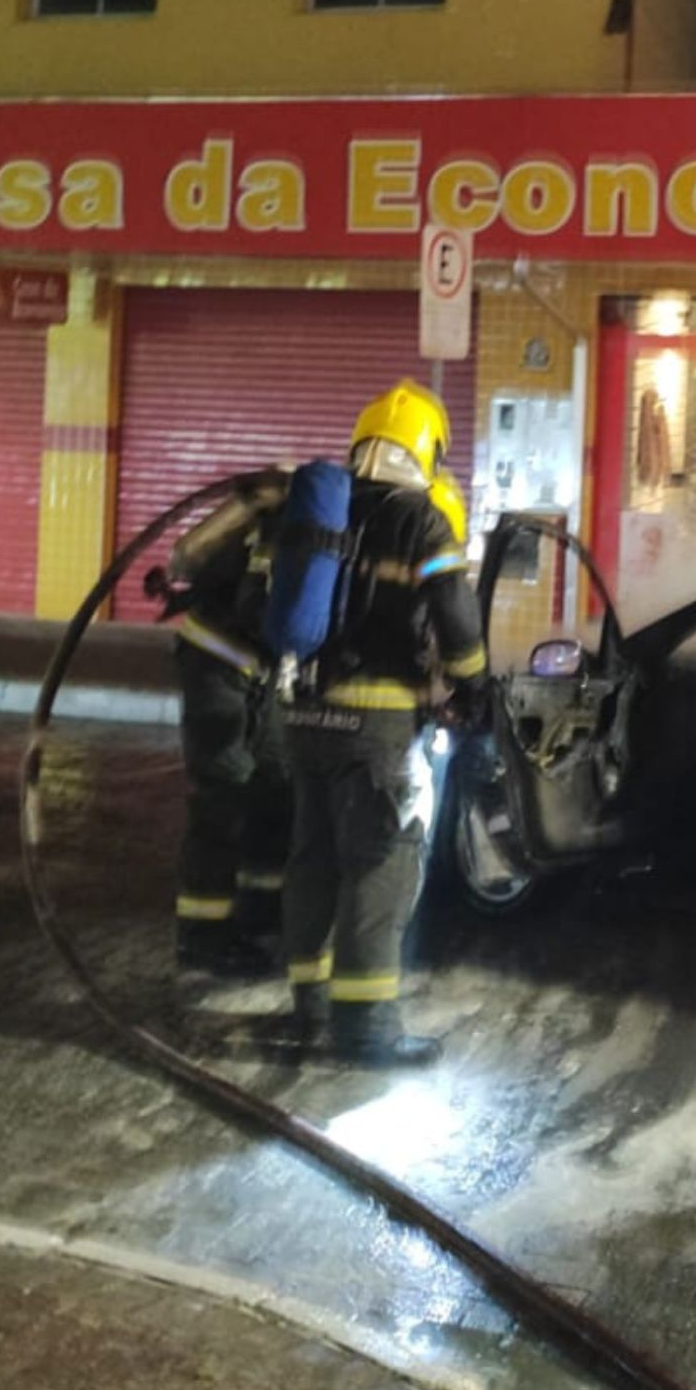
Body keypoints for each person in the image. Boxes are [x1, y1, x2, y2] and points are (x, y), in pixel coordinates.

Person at [282, 379, 488, 1066]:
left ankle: (309, 1003)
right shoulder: (420, 519)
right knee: (379, 865)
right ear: (425, 449)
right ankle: (365, 1027)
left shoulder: (328, 512)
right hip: (378, 724)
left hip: (307, 714)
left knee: (313, 857)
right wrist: (473, 684)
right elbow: (455, 614)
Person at [157, 473, 291, 976]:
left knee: (276, 788)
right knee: (223, 796)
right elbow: (265, 608)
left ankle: (261, 915)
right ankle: (203, 938)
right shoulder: (309, 521)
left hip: (257, 671)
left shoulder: (321, 514)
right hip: (217, 663)